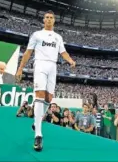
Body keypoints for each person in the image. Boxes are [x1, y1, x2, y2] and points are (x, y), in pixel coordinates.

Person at [15, 10, 76, 151]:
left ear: (54, 20)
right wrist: (20, 68)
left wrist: (70, 60)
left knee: (49, 99)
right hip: (40, 65)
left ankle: (36, 121)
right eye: (47, 17)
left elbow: (63, 52)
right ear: (43, 20)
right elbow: (28, 52)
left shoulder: (58, 37)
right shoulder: (37, 35)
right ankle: (38, 135)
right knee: (39, 97)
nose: (49, 19)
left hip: (52, 67)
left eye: (51, 18)